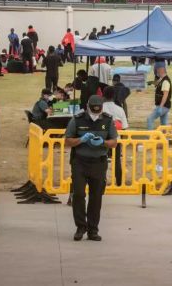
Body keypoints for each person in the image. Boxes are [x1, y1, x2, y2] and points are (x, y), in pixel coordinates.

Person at [64, 95, 118, 241]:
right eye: (93, 109)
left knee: (96, 197)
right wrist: (81, 140)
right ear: (88, 106)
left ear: (101, 107)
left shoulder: (107, 120)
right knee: (79, 194)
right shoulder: (77, 119)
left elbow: (114, 142)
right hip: (80, 162)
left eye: (98, 109)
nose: (96, 112)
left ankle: (93, 230)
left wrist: (103, 143)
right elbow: (67, 141)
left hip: (98, 163)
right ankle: (81, 226)